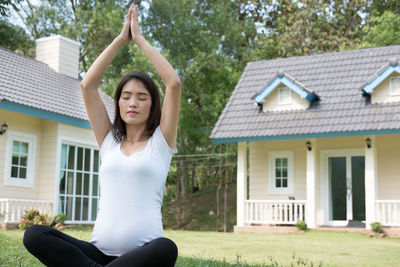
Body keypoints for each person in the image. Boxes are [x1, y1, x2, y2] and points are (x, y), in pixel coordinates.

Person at [23, 4, 181, 267]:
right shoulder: (109, 140)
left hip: (142, 254)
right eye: (126, 96)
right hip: (98, 252)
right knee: (35, 234)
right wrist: (121, 39)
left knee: (166, 248)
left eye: (142, 97)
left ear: (152, 105)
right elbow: (88, 85)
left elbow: (173, 83)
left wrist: (139, 39)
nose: (133, 103)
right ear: (118, 103)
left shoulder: (161, 143)